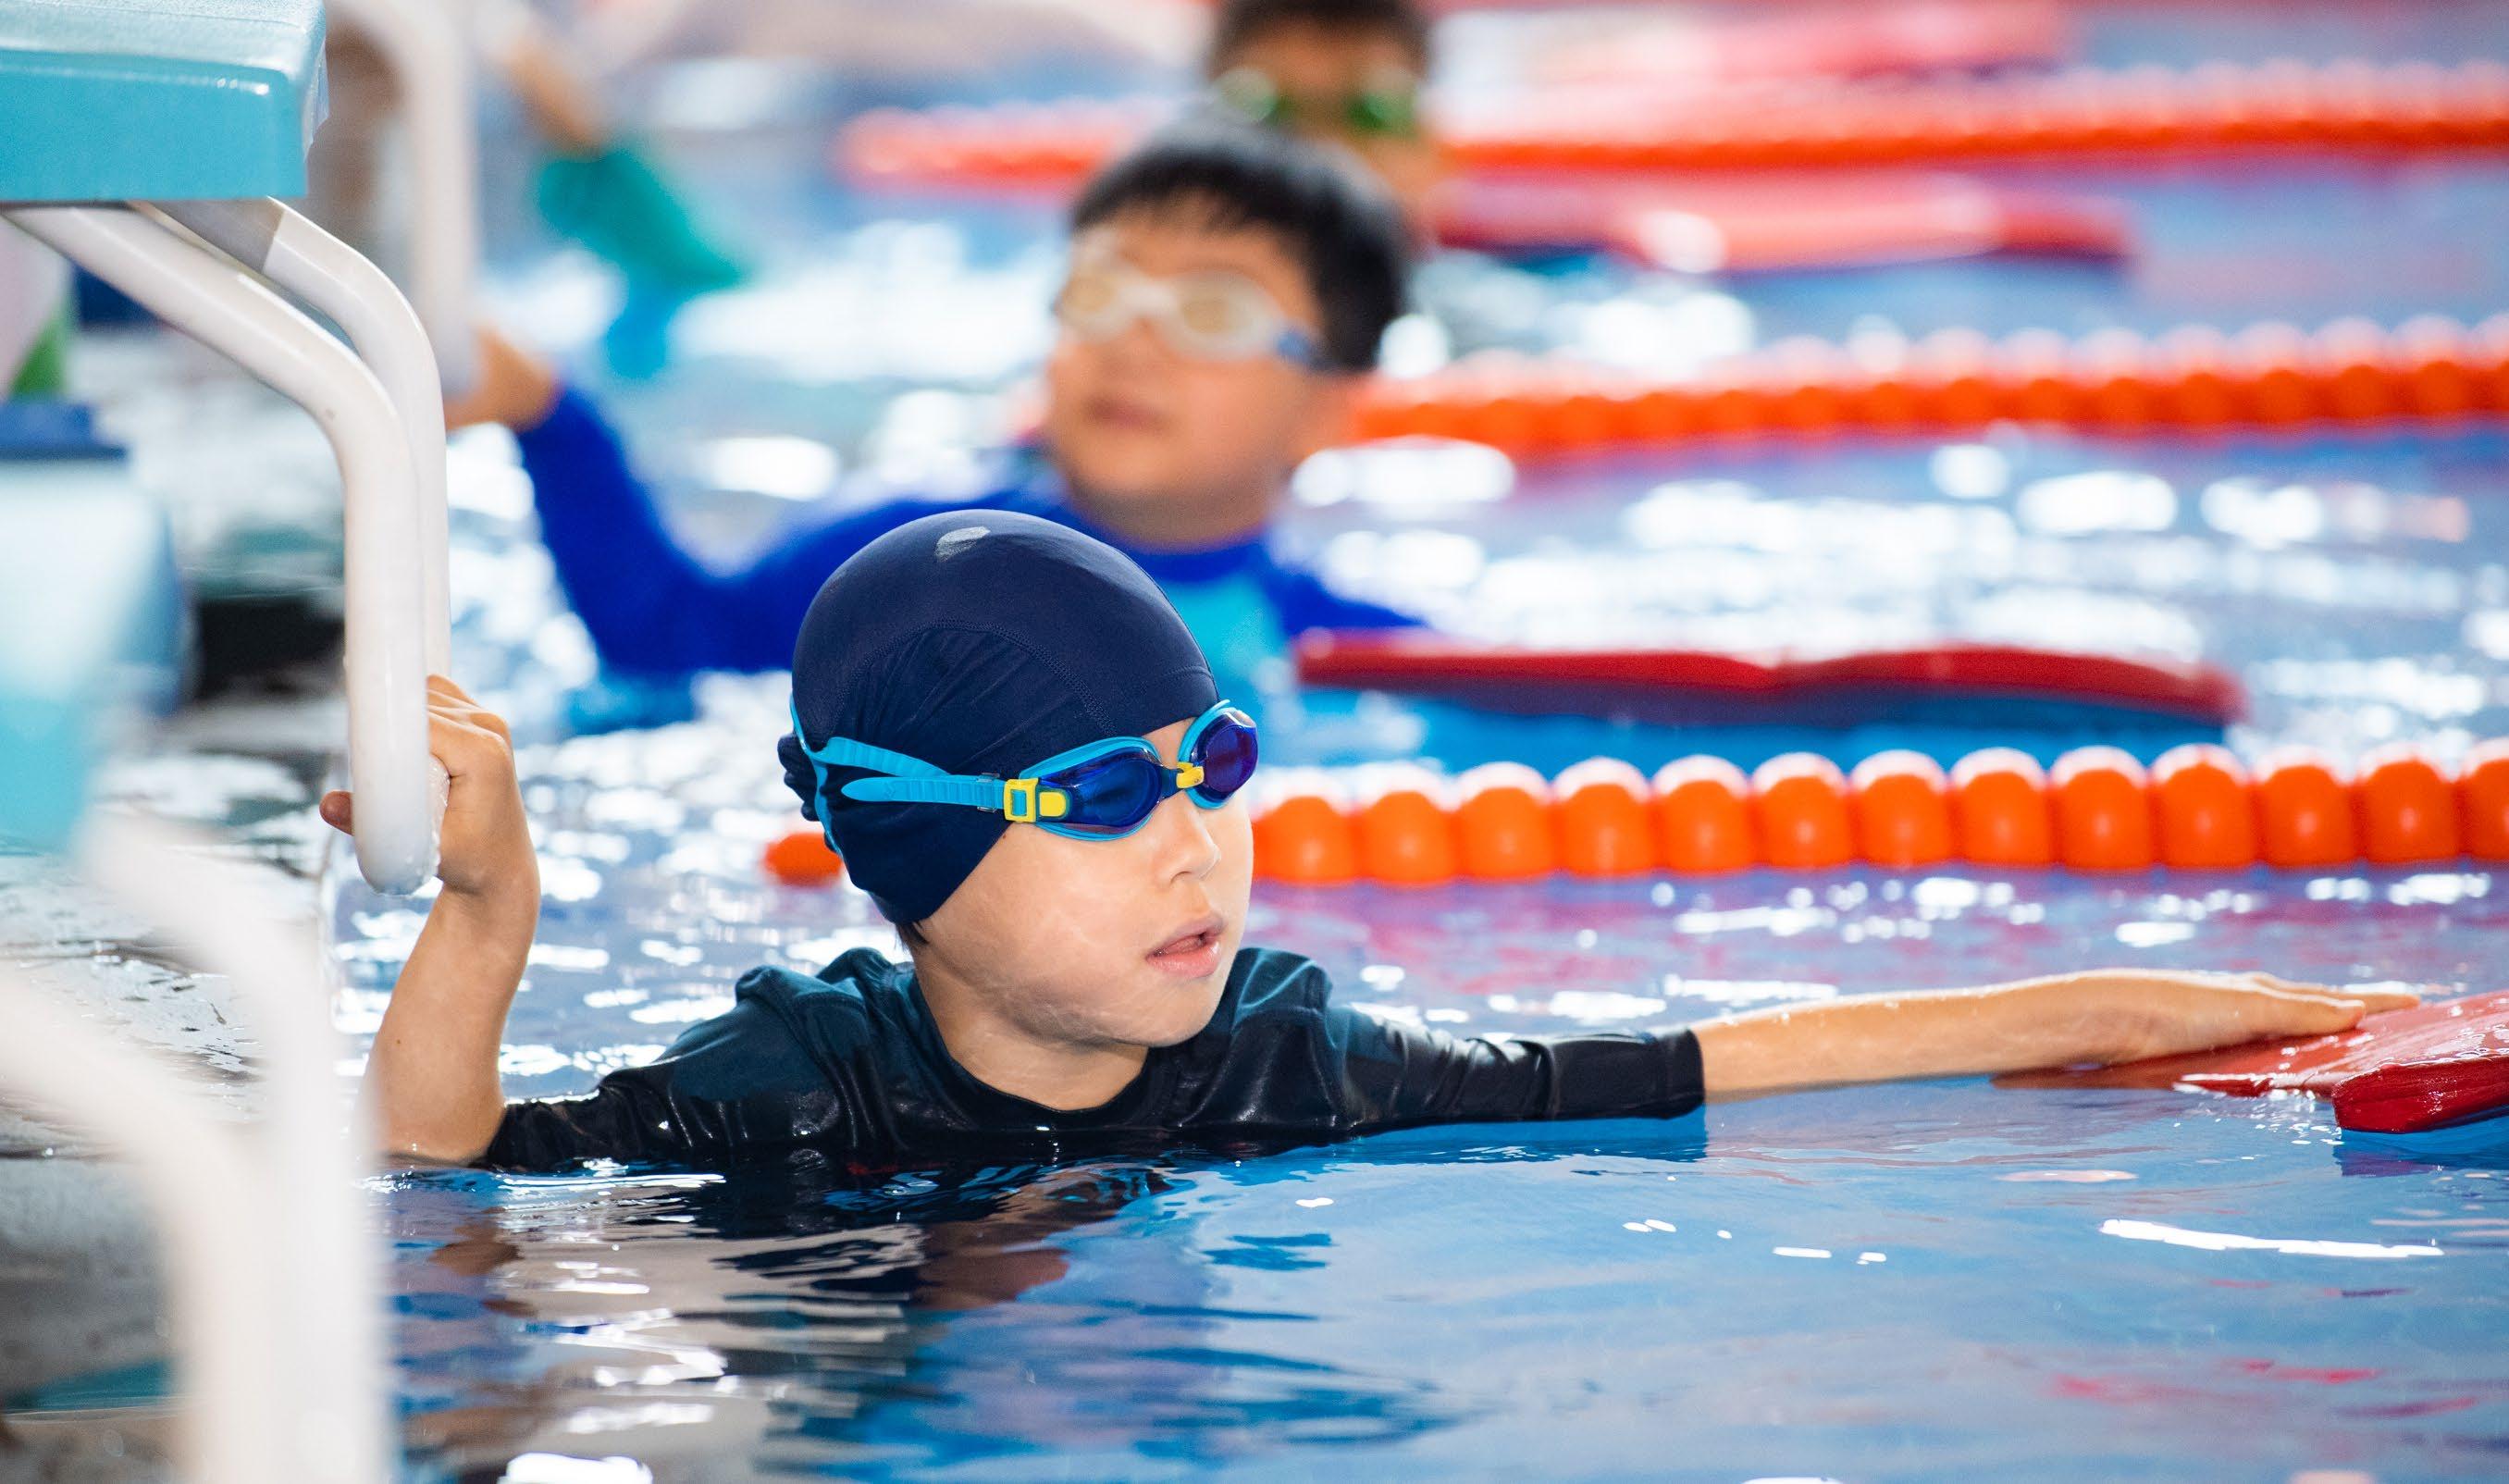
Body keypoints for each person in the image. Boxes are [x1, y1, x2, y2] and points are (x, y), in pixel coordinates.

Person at [339, 513, 2415, 1173]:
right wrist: (491, 912)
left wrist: (2163, 1004)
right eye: (1104, 796)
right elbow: (434, 1174)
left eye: (1212, 765)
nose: (1198, 849)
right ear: (915, 862)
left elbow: (1737, 1058)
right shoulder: (802, 1087)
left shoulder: (1289, 1061)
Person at [450, 120, 1420, 708]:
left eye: (1212, 313)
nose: (1133, 342)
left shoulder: (1369, 658)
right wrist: (554, 421)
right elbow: (671, 642)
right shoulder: (911, 562)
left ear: (1327, 409)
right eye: (1100, 293)